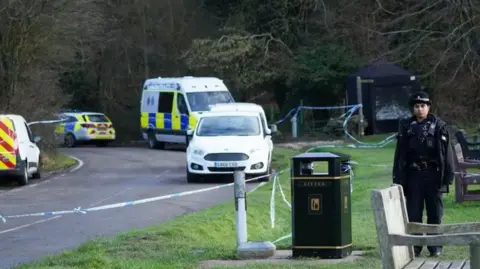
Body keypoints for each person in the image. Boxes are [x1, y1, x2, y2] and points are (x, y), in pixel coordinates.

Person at [392, 91, 455, 257]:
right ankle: (416, 246)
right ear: (413, 108)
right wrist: (397, 177)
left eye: (423, 106)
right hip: (413, 175)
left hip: (434, 174)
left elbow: (447, 152)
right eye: (416, 106)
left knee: (435, 212)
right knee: (414, 212)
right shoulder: (405, 127)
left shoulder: (439, 125)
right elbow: (399, 154)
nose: (420, 109)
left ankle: (435, 246)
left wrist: (448, 175)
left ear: (428, 107)